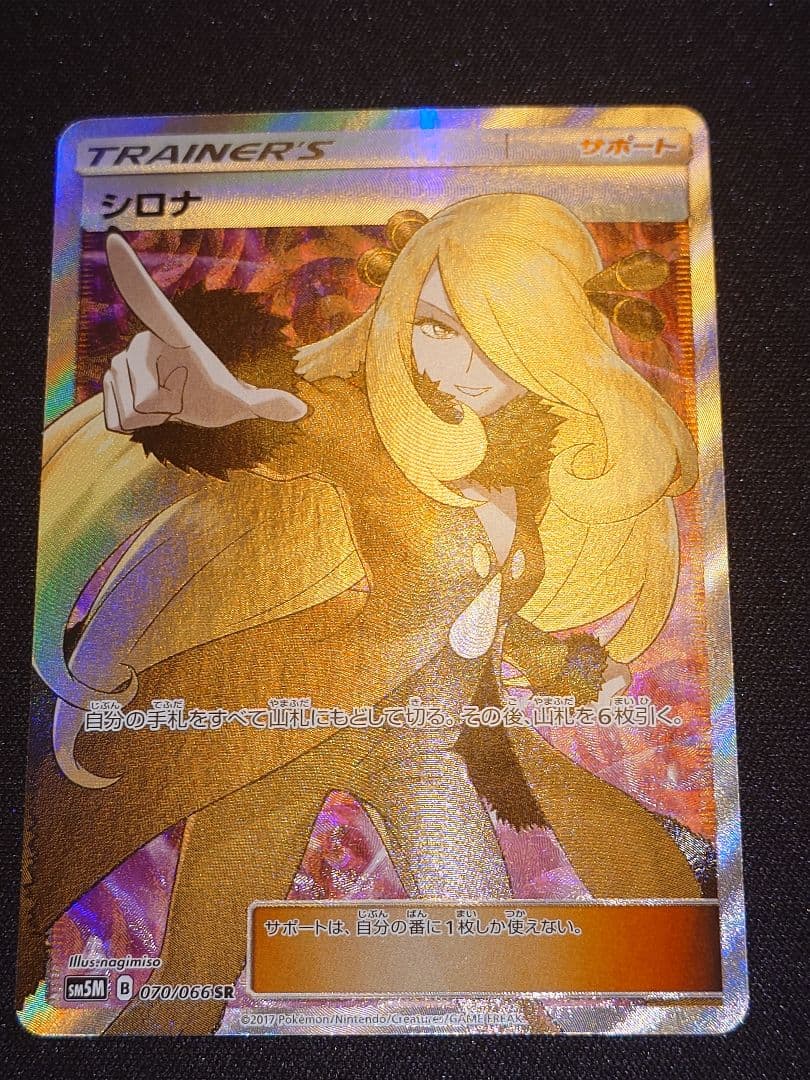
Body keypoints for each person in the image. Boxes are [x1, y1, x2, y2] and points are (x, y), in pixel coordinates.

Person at [20, 194, 708, 1034]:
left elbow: (472, 600)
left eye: (497, 335)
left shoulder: (526, 468)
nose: (458, 365)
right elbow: (274, 421)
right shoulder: (363, 423)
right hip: (291, 734)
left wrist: (558, 661)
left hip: (426, 748)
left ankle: (679, 945)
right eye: (436, 326)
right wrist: (199, 402)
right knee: (194, 979)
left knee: (494, 990)